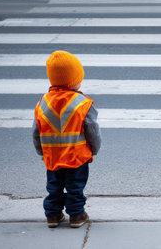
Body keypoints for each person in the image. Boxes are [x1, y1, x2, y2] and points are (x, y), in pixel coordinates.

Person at [32, 50, 101, 228]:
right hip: (76, 156)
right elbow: (92, 129)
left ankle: (53, 216)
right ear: (74, 80)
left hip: (52, 156)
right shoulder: (83, 103)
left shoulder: (43, 102)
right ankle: (77, 216)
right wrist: (94, 148)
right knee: (75, 186)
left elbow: (36, 131)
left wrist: (42, 152)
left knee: (53, 185)